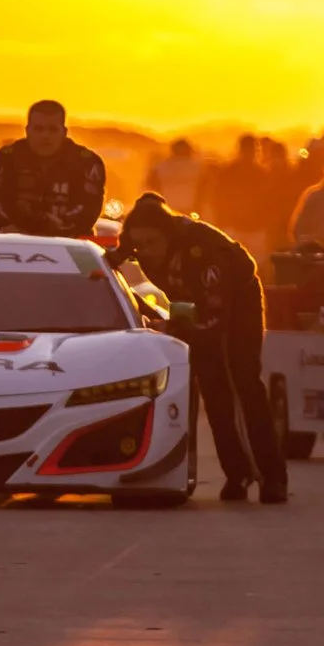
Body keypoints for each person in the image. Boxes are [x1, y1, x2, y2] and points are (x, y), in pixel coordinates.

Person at [112, 192, 286, 504]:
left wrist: (177, 328)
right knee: (212, 389)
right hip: (190, 303)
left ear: (169, 235)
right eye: (139, 245)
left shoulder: (203, 254)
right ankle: (237, 473)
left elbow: (215, 321)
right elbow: (119, 253)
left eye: (152, 243)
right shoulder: (138, 246)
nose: (146, 252)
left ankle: (271, 477)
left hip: (234, 301)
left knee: (240, 382)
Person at [0, 100, 106, 238]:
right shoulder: (5, 157)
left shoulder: (87, 162)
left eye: (53, 129)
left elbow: (88, 208)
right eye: (39, 129)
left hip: (69, 239)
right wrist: (9, 227)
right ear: (27, 130)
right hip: (10, 236)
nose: (45, 136)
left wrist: (61, 224)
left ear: (64, 132)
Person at [146, 138, 204, 214]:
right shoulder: (198, 167)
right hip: (190, 210)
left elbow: (151, 186)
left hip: (166, 209)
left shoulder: (160, 167)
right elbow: (203, 189)